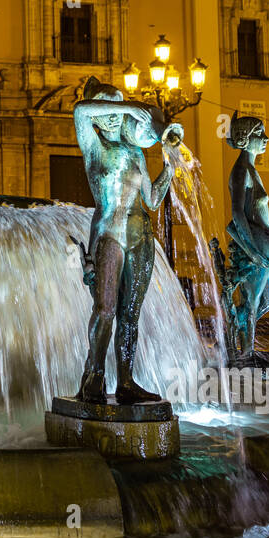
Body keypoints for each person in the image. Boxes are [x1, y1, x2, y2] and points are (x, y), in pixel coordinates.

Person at [72, 78, 184, 404]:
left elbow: (151, 198)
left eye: (116, 109)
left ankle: (126, 382)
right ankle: (92, 377)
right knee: (105, 310)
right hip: (109, 234)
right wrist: (128, 106)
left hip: (140, 237)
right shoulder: (93, 147)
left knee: (130, 314)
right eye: (106, 109)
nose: (111, 118)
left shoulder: (134, 150)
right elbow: (80, 110)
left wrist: (170, 169)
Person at [219, 114, 269, 358]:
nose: (266, 139)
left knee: (265, 303)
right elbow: (237, 214)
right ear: (245, 139)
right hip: (252, 250)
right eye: (259, 134)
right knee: (252, 304)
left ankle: (236, 332)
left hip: (262, 246)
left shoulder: (252, 169)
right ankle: (246, 356)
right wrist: (252, 251)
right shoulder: (241, 171)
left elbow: (258, 213)